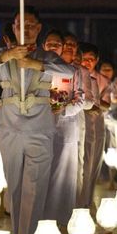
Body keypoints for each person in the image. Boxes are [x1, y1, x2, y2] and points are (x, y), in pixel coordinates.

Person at [0, 8, 73, 234]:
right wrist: (8, 55)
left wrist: (35, 64)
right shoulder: (4, 54)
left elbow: (69, 72)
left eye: (31, 25)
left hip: (39, 127)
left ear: (38, 28)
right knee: (15, 182)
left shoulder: (46, 56)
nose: (26, 29)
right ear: (14, 27)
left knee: (36, 182)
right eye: (21, 24)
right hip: (11, 126)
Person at [43, 31, 91, 224]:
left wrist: (62, 110)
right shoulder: (44, 68)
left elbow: (81, 99)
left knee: (65, 169)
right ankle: (43, 214)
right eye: (50, 44)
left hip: (67, 124)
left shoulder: (75, 71)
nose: (68, 48)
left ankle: (62, 215)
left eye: (72, 45)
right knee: (45, 168)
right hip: (43, 123)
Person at [78, 43, 109, 209]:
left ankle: (87, 200)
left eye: (91, 59)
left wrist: (95, 106)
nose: (87, 62)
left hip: (96, 125)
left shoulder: (99, 81)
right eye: (84, 59)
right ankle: (80, 201)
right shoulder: (77, 77)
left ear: (96, 60)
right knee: (82, 165)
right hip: (80, 125)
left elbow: (104, 103)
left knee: (93, 165)